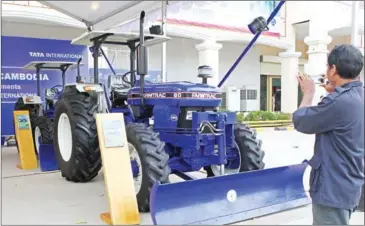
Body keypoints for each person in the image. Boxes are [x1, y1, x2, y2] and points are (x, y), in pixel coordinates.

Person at [292, 44, 364, 225]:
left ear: (333, 69)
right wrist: (335, 92)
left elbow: (301, 121)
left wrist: (308, 93)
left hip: (333, 189)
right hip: (350, 184)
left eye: (327, 66)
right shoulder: (358, 96)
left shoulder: (338, 102)